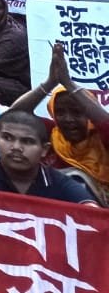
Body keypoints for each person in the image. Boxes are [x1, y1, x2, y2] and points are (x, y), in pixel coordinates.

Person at [0, 110, 98, 212]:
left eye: (27, 141)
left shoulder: (60, 182)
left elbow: (93, 215)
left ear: (44, 150)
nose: (16, 147)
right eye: (7, 138)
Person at [10, 42, 109, 204]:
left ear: (89, 114)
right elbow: (14, 117)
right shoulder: (50, 133)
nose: (68, 119)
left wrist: (68, 84)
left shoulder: (102, 138)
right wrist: (50, 83)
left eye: (77, 112)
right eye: (61, 112)